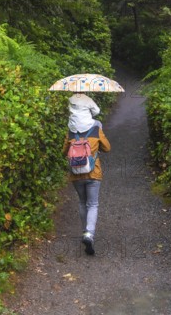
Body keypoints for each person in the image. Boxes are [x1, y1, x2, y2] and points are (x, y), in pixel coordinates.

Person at [62, 105, 111, 255]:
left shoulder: (71, 131)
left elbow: (63, 152)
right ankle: (89, 234)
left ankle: (85, 232)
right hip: (93, 172)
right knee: (93, 204)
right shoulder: (96, 129)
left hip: (76, 174)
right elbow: (107, 148)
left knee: (83, 203)